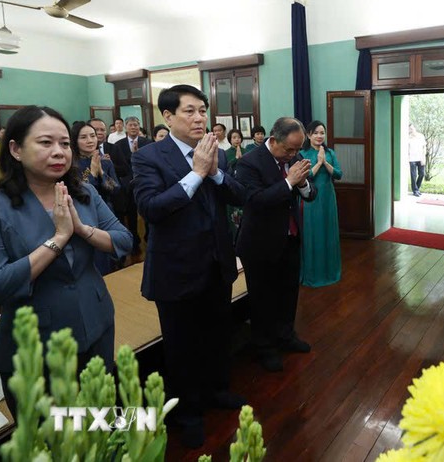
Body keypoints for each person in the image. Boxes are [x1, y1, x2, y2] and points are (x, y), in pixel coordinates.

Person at [0, 106, 132, 414]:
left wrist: (82, 230)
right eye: (46, 143)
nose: (59, 152)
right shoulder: (0, 207)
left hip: (95, 324)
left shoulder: (83, 192)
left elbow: (124, 240)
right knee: (51, 439)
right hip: (35, 345)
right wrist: (57, 239)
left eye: (64, 144)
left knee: (100, 424)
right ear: (15, 149)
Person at [132, 84, 247, 449]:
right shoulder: (149, 157)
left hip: (216, 263)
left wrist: (213, 172)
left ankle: (216, 391)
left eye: (202, 110)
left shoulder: (217, 153)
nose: (200, 118)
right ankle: (188, 412)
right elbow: (151, 208)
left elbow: (238, 196)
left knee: (217, 335)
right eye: (189, 111)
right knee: (182, 346)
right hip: (177, 269)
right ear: (167, 116)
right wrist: (196, 173)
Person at [235, 117, 316, 372]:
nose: (293, 154)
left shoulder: (291, 158)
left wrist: (302, 183)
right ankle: (265, 347)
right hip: (260, 244)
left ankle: (286, 336)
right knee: (263, 298)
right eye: (289, 149)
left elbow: (311, 195)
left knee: (288, 292)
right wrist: (290, 182)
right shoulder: (249, 162)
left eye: (297, 149)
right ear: (273, 139)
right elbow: (256, 200)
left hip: (290, 238)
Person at [71, 121, 122, 275]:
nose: (90, 140)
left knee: (109, 258)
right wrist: (92, 174)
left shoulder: (105, 162)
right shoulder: (71, 163)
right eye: (83, 137)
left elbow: (115, 189)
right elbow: (80, 192)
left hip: (106, 212)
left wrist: (101, 173)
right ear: (75, 140)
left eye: (92, 136)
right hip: (83, 215)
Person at [301, 120, 342, 287]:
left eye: (322, 133)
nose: (319, 136)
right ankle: (312, 274)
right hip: (311, 198)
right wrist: (318, 162)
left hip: (328, 197)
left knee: (328, 232)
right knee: (313, 233)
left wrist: (325, 162)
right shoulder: (303, 154)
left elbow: (339, 174)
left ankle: (330, 271)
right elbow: (306, 177)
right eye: (316, 133)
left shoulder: (330, 152)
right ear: (309, 135)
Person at [111, 116, 151, 255]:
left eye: (136, 125)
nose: (133, 127)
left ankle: (149, 237)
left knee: (147, 212)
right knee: (131, 215)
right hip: (128, 185)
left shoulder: (147, 142)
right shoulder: (118, 145)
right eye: (131, 125)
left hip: (145, 183)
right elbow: (120, 166)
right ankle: (134, 240)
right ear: (126, 127)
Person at [225, 128, 245, 240]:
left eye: (238, 137)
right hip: (232, 187)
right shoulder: (225, 153)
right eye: (234, 137)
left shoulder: (247, 151)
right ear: (230, 140)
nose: (237, 140)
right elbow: (225, 169)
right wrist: (236, 159)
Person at [408, 124, 427, 197]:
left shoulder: (421, 136)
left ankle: (417, 189)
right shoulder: (408, 138)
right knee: (413, 175)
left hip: (420, 158)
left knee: (422, 174)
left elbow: (424, 147)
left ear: (415, 128)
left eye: (412, 128)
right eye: (409, 129)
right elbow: (407, 149)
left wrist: (423, 157)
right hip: (412, 159)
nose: (411, 130)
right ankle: (415, 190)